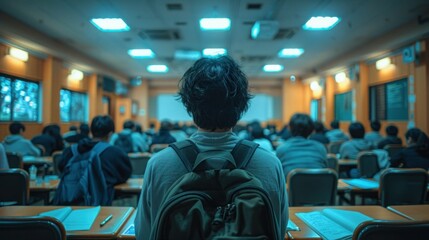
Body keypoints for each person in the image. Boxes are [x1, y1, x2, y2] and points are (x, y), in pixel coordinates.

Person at [135, 56, 288, 240]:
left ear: (189, 106)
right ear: (241, 106)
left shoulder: (158, 164)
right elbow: (278, 232)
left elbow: (144, 234)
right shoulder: (270, 164)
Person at [58, 115, 132, 203]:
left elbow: (60, 169)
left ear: (91, 132)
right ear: (110, 134)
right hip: (98, 205)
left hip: (67, 202)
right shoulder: (115, 153)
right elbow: (125, 174)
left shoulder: (70, 151)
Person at [276, 113, 327, 178]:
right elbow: (325, 169)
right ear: (311, 130)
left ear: (290, 129)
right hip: (319, 186)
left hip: (290, 187)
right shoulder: (321, 148)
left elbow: (278, 175)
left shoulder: (281, 149)